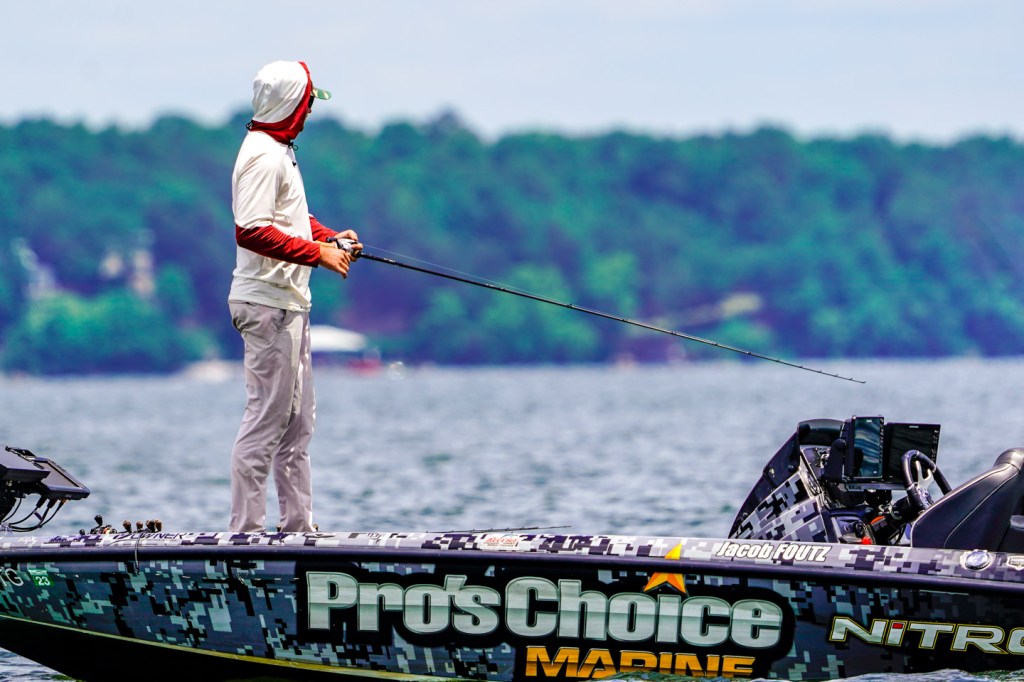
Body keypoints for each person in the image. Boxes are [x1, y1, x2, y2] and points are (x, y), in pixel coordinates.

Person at [227, 60, 361, 533]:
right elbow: (251, 231)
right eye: (306, 103)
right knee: (267, 421)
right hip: (266, 305)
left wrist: (329, 239)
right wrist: (318, 254)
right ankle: (246, 535)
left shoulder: (280, 150)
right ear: (290, 104)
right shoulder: (263, 157)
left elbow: (290, 219)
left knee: (298, 425)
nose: (309, 112)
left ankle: (298, 530)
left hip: (289, 303)